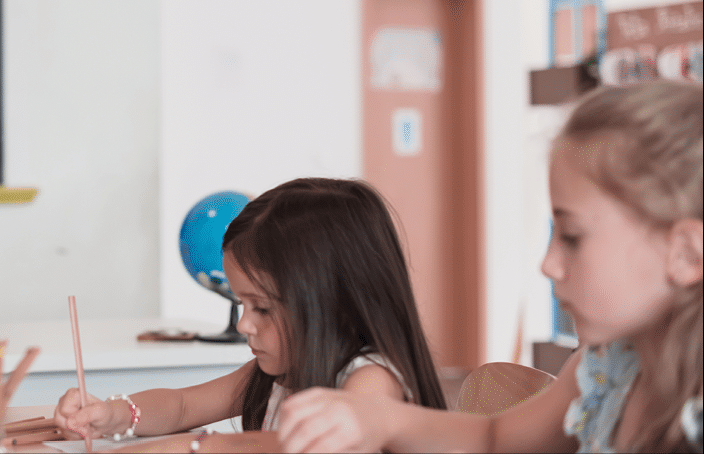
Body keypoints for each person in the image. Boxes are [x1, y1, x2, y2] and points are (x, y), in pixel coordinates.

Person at [278, 80, 703, 453]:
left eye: (572, 236)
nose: (548, 264)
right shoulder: (609, 363)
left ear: (686, 253)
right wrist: (378, 420)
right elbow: (493, 439)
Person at [55, 178, 446, 444]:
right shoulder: (280, 371)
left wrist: (196, 449)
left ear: (334, 304)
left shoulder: (372, 382)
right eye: (243, 304)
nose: (244, 324)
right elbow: (183, 406)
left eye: (261, 307)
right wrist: (113, 414)